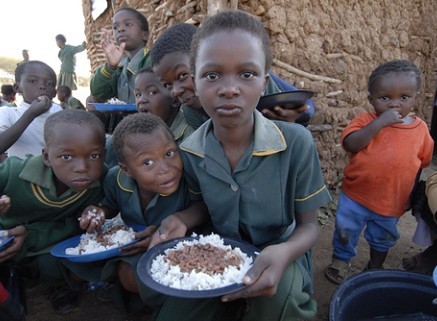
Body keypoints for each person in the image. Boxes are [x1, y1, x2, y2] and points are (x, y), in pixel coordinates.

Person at [149, 10, 332, 321]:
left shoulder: (296, 142)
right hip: (220, 252)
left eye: (246, 74)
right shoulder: (191, 150)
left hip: (280, 250)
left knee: (280, 305)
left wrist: (284, 252)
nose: (229, 88)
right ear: (196, 80)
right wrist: (181, 219)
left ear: (264, 81)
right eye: (212, 75)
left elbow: (309, 226)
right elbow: (202, 207)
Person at [62, 113, 203, 317]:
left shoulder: (187, 178)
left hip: (179, 243)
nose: (166, 169)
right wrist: (99, 211)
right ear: (126, 170)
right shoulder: (115, 179)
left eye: (170, 153)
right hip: (133, 244)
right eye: (147, 163)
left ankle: (163, 305)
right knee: (75, 264)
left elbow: (203, 208)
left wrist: (180, 220)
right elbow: (110, 204)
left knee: (129, 275)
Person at [0, 109, 107, 315]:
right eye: (66, 156)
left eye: (94, 155)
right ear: (47, 157)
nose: (82, 167)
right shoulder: (15, 171)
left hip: (46, 241)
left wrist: (98, 209)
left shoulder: (101, 180)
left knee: (68, 259)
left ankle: (58, 285)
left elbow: (109, 205)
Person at [324, 60, 434, 285]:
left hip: (391, 201)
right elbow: (352, 144)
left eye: (404, 97)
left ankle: (375, 265)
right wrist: (379, 124)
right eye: (385, 98)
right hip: (355, 195)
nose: (395, 105)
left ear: (415, 97)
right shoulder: (365, 121)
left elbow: (420, 167)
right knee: (345, 230)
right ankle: (341, 261)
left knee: (383, 237)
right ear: (371, 99)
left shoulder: (421, 130)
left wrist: (411, 196)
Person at [150, 23, 314, 131]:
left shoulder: (252, 88)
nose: (176, 91)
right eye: (167, 85)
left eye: (182, 75)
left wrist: (287, 125)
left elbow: (294, 118)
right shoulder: (191, 112)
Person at [90, 7, 151, 133]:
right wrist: (110, 66)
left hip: (148, 125)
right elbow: (97, 91)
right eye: (115, 27)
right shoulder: (118, 63)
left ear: (145, 34)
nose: (121, 29)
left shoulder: (152, 59)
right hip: (122, 126)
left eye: (128, 24)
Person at [0, 60, 63, 159]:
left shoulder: (59, 113)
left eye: (50, 84)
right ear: (17, 87)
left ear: (54, 93)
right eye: (33, 81)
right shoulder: (7, 113)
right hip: (22, 173)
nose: (42, 86)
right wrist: (31, 113)